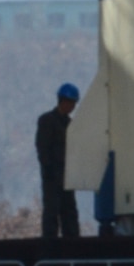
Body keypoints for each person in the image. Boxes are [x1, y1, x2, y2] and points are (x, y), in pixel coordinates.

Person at [35, 82, 81, 238]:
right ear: (62, 101)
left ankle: (72, 242)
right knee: (52, 211)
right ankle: (51, 244)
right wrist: (48, 168)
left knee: (69, 211)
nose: (72, 106)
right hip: (53, 175)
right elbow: (42, 147)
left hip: (67, 176)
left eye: (74, 103)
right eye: (70, 102)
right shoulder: (47, 120)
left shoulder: (70, 125)